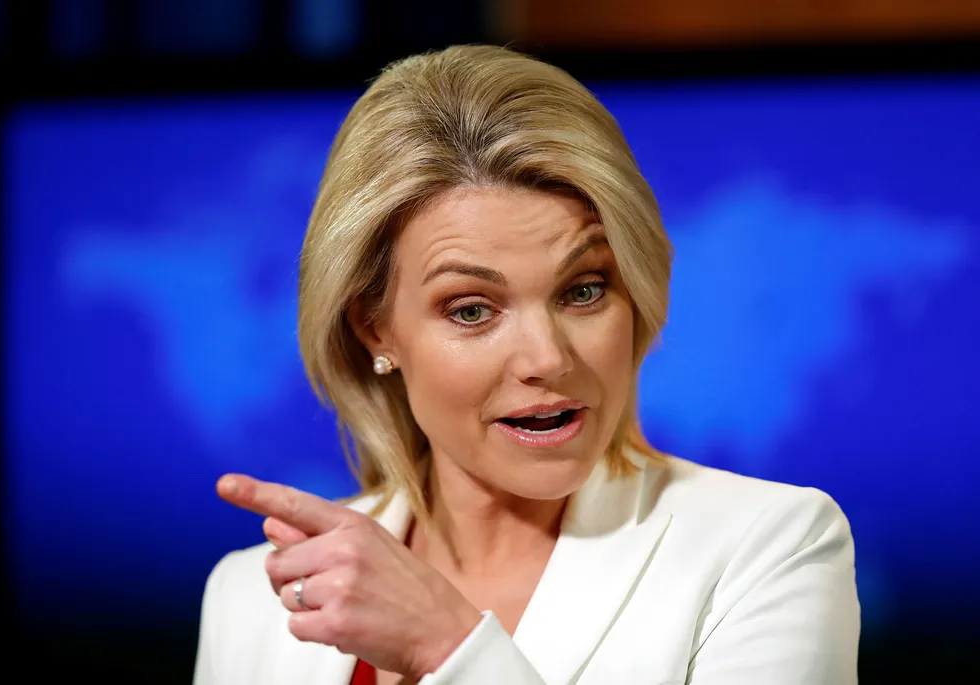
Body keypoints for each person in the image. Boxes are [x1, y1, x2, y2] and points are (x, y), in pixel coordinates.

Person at [193, 45, 860, 685]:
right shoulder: (252, 600)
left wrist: (448, 646)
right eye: (472, 310)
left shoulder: (768, 547)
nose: (548, 357)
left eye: (584, 291)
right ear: (375, 328)